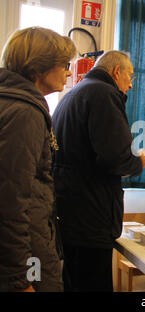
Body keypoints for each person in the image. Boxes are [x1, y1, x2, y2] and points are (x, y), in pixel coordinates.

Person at [52, 50, 145, 292]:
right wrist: (139, 161)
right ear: (116, 72)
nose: (130, 84)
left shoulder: (71, 94)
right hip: (91, 214)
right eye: (130, 76)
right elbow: (116, 158)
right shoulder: (104, 94)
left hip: (69, 210)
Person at [0, 27, 76, 292]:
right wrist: (20, 280)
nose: (68, 72)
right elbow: (11, 201)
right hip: (27, 254)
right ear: (40, 67)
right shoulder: (25, 113)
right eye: (64, 64)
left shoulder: (12, 102)